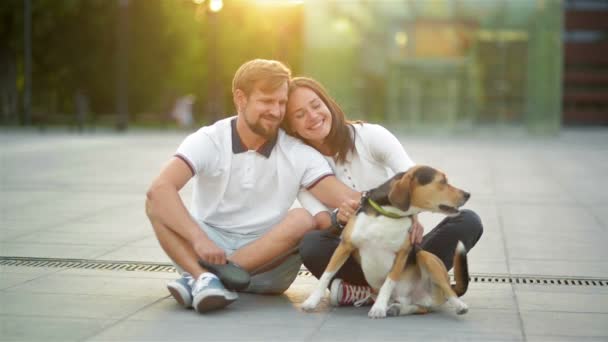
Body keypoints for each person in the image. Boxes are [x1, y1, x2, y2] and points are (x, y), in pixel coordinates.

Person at [145, 60, 358, 314]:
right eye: (267, 101)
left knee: (302, 218)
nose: (276, 111)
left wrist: (400, 198)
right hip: (206, 248)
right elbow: (160, 189)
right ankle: (207, 279)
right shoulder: (210, 139)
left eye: (281, 103)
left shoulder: (297, 152)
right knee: (155, 202)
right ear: (240, 98)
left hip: (267, 267)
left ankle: (204, 278)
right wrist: (199, 240)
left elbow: (344, 197)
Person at [283, 77, 483, 307]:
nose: (313, 116)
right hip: (359, 257)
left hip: (403, 252)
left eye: (316, 105)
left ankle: (373, 290)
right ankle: (387, 291)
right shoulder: (304, 169)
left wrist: (412, 215)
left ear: (328, 104)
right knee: (311, 243)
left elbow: (411, 174)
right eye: (299, 115)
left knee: (468, 221)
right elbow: (322, 222)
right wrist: (338, 219)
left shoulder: (369, 135)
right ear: (292, 127)